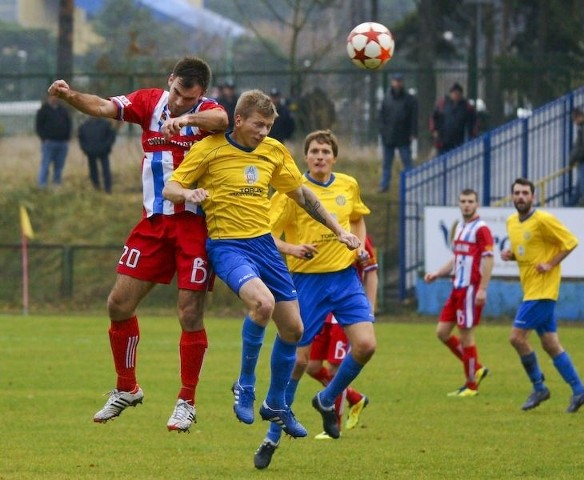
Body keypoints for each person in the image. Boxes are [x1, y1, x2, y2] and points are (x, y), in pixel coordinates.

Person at [162, 93, 360, 442]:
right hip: (228, 246)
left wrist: (340, 231)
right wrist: (187, 195)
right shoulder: (209, 148)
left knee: (294, 330)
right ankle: (246, 385)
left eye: (269, 126)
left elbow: (304, 196)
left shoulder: (273, 151)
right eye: (258, 124)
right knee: (262, 304)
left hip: (265, 246)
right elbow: (171, 186)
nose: (264, 132)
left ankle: (276, 403)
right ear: (238, 120)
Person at [48, 56, 229, 432]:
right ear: (170, 81)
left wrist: (187, 119)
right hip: (153, 223)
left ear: (202, 94)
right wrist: (69, 96)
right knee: (118, 304)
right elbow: (102, 106)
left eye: (188, 97)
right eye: (177, 93)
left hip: (194, 225)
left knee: (189, 313)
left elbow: (222, 121)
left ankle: (186, 401)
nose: (179, 102)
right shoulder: (149, 102)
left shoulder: (207, 112)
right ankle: (127, 387)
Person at [253, 129, 376, 469]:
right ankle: (271, 438)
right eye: (314, 151)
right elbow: (264, 235)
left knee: (366, 345)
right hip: (305, 283)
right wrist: (294, 248)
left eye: (325, 151)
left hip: (345, 279)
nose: (320, 156)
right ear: (305, 158)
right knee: (298, 363)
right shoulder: (290, 193)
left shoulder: (348, 185)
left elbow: (357, 220)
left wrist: (360, 245)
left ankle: (326, 398)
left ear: (334, 157)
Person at [500, 178, 584, 413]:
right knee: (551, 344)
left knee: (516, 338)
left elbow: (570, 242)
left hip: (542, 292)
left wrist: (551, 264)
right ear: (512, 196)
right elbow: (528, 253)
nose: (520, 197)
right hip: (531, 289)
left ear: (533, 196)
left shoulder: (543, 219)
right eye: (517, 193)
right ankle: (579, 390)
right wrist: (512, 256)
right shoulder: (511, 221)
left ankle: (539, 387)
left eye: (525, 193)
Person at [306, 234, 378, 439]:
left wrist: (369, 309)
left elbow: (372, 271)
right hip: (321, 311)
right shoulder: (315, 229)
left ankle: (333, 424)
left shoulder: (356, 235)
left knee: (336, 367)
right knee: (313, 367)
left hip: (344, 315)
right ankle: (354, 397)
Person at [424, 188, 494, 397]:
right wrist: (438, 273)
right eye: (463, 201)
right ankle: (477, 368)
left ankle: (471, 385)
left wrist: (482, 288)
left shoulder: (482, 229)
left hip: (471, 290)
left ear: (477, 204)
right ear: (459, 204)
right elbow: (457, 258)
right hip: (457, 288)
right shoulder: (462, 227)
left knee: (466, 337)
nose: (466, 205)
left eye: (470, 201)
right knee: (442, 332)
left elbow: (489, 258)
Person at [378, 73, 418, 193]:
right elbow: (381, 117)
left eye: (400, 81)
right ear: (392, 82)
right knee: (387, 164)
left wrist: (413, 133)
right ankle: (384, 186)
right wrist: (382, 132)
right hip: (389, 137)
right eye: (396, 81)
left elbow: (413, 118)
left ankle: (411, 185)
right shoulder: (387, 99)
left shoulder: (409, 100)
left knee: (407, 162)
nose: (398, 83)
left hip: (403, 136)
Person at [429, 82, 478, 155]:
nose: (456, 95)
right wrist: (434, 131)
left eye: (458, 93)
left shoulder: (467, 107)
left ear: (461, 94)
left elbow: (473, 122)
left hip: (459, 142)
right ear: (450, 93)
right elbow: (433, 118)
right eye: (454, 93)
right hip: (442, 141)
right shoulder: (442, 104)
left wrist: (472, 135)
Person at [35, 94, 72, 188]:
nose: (54, 98)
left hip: (62, 143)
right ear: (48, 97)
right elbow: (38, 127)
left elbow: (68, 124)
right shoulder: (43, 110)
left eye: (56, 96)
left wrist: (67, 138)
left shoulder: (63, 110)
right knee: (46, 164)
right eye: (52, 96)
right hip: (49, 143)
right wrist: (44, 139)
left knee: (59, 166)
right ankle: (42, 185)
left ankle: (56, 184)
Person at [78, 116, 117, 193]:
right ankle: (96, 187)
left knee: (106, 170)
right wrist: (86, 149)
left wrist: (106, 146)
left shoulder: (105, 124)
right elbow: (81, 138)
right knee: (93, 171)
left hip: (103, 152)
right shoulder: (84, 125)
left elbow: (111, 136)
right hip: (91, 152)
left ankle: (108, 189)